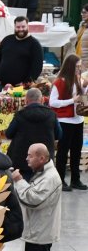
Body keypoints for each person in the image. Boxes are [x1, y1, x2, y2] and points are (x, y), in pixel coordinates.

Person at [12, 143, 61, 251]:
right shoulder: (43, 173)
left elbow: (33, 199)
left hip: (41, 233)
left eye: (30, 156)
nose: (27, 159)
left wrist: (19, 181)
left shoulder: (50, 178)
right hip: (37, 231)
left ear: (42, 158)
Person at [5, 89, 60, 181]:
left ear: (26, 101)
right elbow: (59, 135)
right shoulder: (51, 114)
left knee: (21, 189)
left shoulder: (20, 115)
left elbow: (9, 134)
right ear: (42, 100)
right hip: (44, 161)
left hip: (22, 161)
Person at [50, 54, 87, 191]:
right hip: (65, 120)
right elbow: (52, 102)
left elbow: (82, 95)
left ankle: (75, 180)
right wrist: (72, 100)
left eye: (80, 66)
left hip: (78, 119)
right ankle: (60, 180)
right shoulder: (59, 81)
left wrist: (85, 87)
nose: (79, 69)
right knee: (63, 151)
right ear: (71, 66)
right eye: (77, 66)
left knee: (76, 151)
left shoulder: (78, 79)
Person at [0, 17, 44, 89]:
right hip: (2, 85)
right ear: (14, 27)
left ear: (27, 26)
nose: (20, 29)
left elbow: (37, 67)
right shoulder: (7, 40)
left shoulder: (34, 44)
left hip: (21, 88)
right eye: (18, 27)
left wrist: (26, 83)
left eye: (23, 27)